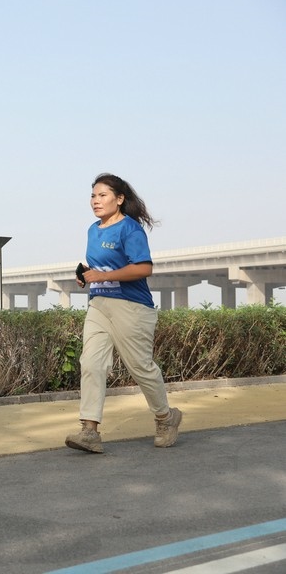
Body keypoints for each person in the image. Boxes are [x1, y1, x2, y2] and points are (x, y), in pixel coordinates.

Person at [65, 173, 183, 454]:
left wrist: (103, 275)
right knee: (91, 363)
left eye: (102, 195)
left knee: (140, 367)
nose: (95, 201)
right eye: (93, 195)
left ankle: (166, 418)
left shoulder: (130, 229)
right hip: (99, 305)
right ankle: (90, 431)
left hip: (132, 307)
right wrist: (87, 276)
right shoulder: (93, 230)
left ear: (119, 199)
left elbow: (143, 268)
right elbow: (101, 268)